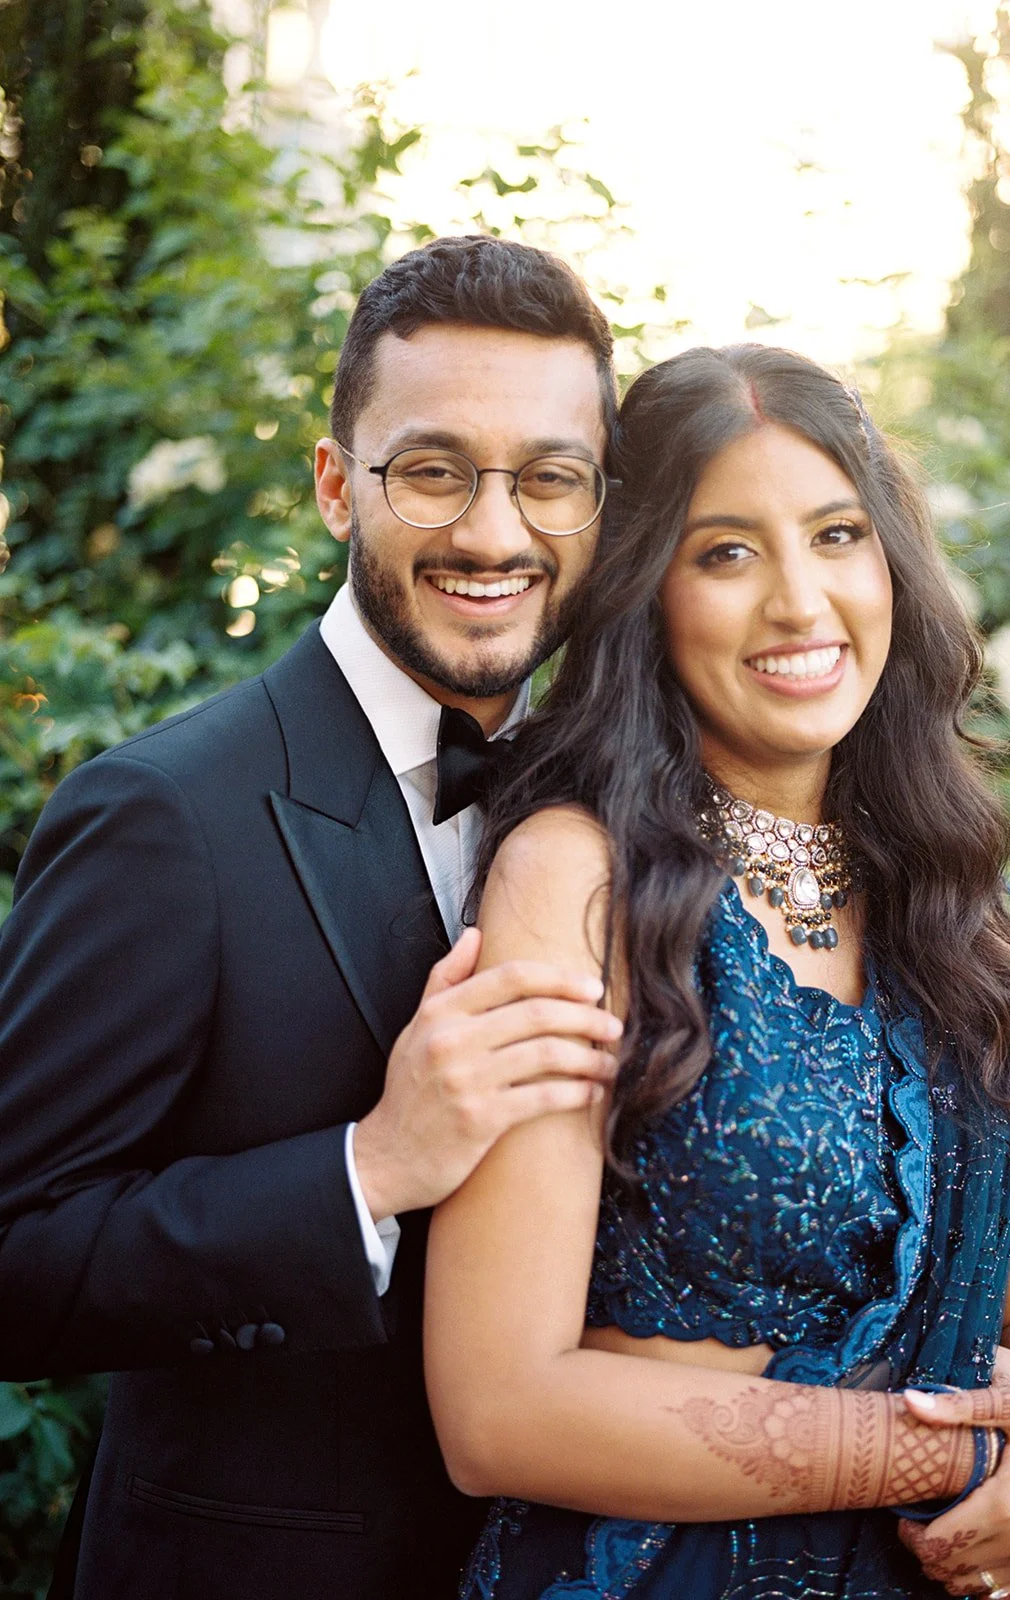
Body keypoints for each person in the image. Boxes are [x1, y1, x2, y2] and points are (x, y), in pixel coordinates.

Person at [423, 344, 1010, 1599]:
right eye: (724, 553)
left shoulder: (940, 892)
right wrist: (963, 1449)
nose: (798, 603)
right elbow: (498, 1406)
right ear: (643, 589)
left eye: (835, 535)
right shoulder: (575, 879)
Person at [0, 235, 627, 1600]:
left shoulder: (628, 810)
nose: (491, 530)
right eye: (432, 469)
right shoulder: (163, 817)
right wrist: (368, 1168)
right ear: (340, 486)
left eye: (547, 478)